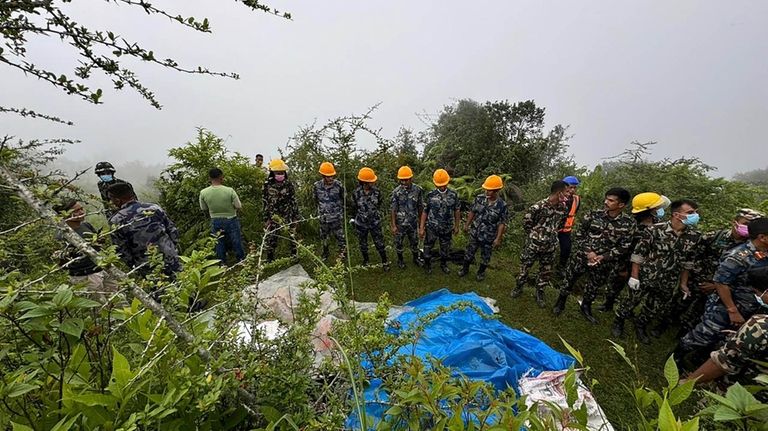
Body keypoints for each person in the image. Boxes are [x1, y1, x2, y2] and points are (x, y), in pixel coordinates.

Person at [676, 218, 768, 362]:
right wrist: (732, 310)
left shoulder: (764, 253)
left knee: (724, 338)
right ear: (762, 237)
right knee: (704, 335)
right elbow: (720, 282)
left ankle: (698, 361)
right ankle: (676, 358)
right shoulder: (739, 256)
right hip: (726, 305)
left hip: (748, 306)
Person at [611, 199, 702, 342]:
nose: (695, 215)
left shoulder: (694, 237)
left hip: (668, 280)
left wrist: (683, 284)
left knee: (654, 306)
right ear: (677, 215)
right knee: (631, 301)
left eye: (695, 212)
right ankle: (619, 321)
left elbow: (688, 263)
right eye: (690, 213)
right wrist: (634, 276)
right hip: (646, 275)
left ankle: (640, 325)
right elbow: (638, 254)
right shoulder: (655, 230)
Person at [552, 188, 635, 325]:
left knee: (594, 285)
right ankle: (560, 302)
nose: (606, 202)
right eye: (606, 199)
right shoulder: (593, 214)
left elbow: (624, 246)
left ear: (621, 205)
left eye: (611, 200)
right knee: (570, 278)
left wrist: (603, 257)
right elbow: (579, 234)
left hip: (603, 263)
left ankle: (586, 306)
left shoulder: (628, 223)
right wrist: (588, 251)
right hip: (582, 257)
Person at [599, 192, 670, 312]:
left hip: (645, 262)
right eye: (656, 208)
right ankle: (608, 304)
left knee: (636, 289)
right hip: (626, 261)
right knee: (616, 284)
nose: (659, 209)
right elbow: (625, 247)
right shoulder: (633, 225)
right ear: (649, 210)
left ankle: (628, 309)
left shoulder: (656, 222)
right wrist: (623, 268)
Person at [512, 180, 568, 307]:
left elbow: (560, 224)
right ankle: (519, 287)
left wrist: (550, 236)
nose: (568, 195)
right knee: (525, 267)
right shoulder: (538, 207)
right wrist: (536, 236)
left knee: (546, 271)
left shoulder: (563, 208)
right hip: (533, 245)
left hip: (550, 246)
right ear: (559, 193)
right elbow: (527, 223)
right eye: (566, 192)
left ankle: (540, 292)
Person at [107, 182, 182, 277]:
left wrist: (134, 266)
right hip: (170, 257)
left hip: (147, 265)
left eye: (111, 199)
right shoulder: (153, 208)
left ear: (117, 200)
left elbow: (121, 250)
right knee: (182, 286)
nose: (111, 202)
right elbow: (172, 231)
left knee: (160, 290)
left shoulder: (117, 220)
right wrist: (172, 250)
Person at [53, 199, 119, 302]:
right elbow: (62, 262)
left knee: (118, 300)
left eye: (81, 209)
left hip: (102, 268)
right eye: (76, 211)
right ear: (64, 214)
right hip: (85, 276)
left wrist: (99, 241)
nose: (81, 212)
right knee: (100, 306)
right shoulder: (62, 235)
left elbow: (97, 244)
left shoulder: (85, 225)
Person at [457, 175, 509, 281]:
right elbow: (472, 211)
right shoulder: (479, 198)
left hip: (489, 236)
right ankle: (464, 269)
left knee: (485, 256)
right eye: (486, 189)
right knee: (469, 252)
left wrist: (498, 238)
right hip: (475, 232)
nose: (487, 192)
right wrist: (467, 225)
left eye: (489, 190)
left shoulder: (502, 205)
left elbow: (502, 223)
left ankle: (480, 273)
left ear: (496, 191)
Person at [199, 167, 245, 263]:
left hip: (215, 220)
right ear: (221, 177)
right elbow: (238, 205)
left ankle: (222, 263)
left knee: (219, 242)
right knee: (236, 240)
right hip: (231, 218)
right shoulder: (229, 190)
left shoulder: (203, 192)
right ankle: (241, 260)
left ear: (209, 178)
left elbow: (203, 208)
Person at [420, 169, 460, 275]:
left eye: (444, 184)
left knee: (445, 248)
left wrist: (457, 226)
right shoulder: (430, 195)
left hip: (447, 227)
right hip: (432, 227)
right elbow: (425, 211)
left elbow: (457, 210)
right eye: (439, 185)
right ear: (435, 183)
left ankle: (443, 264)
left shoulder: (453, 195)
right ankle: (427, 264)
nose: (442, 187)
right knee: (428, 246)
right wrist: (421, 227)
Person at [262, 159, 300, 262]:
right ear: (272, 172)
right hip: (273, 215)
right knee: (271, 237)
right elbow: (265, 202)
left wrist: (296, 217)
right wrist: (266, 219)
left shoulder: (289, 184)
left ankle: (294, 256)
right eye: (278, 172)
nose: (280, 174)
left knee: (292, 236)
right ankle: (270, 259)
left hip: (288, 214)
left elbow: (294, 200)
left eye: (282, 172)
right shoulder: (267, 184)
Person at [352, 167, 389, 270]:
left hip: (374, 222)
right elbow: (354, 207)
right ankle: (366, 260)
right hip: (361, 223)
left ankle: (385, 261)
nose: (373, 183)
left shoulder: (377, 192)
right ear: (364, 182)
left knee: (379, 243)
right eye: (371, 182)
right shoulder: (356, 193)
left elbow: (380, 204)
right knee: (362, 243)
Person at [390, 166, 424, 269]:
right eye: (401, 180)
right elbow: (393, 209)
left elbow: (420, 207)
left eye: (406, 180)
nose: (404, 182)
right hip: (400, 224)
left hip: (413, 223)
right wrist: (393, 225)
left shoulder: (418, 190)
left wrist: (421, 225)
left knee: (414, 242)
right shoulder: (396, 192)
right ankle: (400, 260)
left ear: (411, 178)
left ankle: (416, 258)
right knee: (399, 243)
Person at [313, 162, 346, 261]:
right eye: (328, 176)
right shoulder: (317, 186)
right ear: (323, 176)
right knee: (324, 237)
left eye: (332, 176)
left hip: (336, 217)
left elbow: (344, 198)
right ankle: (325, 253)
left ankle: (343, 254)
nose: (330, 178)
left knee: (340, 236)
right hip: (323, 217)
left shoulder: (339, 185)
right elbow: (315, 200)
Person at [557, 176, 581, 276]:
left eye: (574, 188)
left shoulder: (577, 199)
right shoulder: (557, 196)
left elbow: (574, 213)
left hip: (566, 230)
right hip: (554, 228)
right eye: (570, 187)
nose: (572, 190)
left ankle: (560, 268)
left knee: (566, 249)